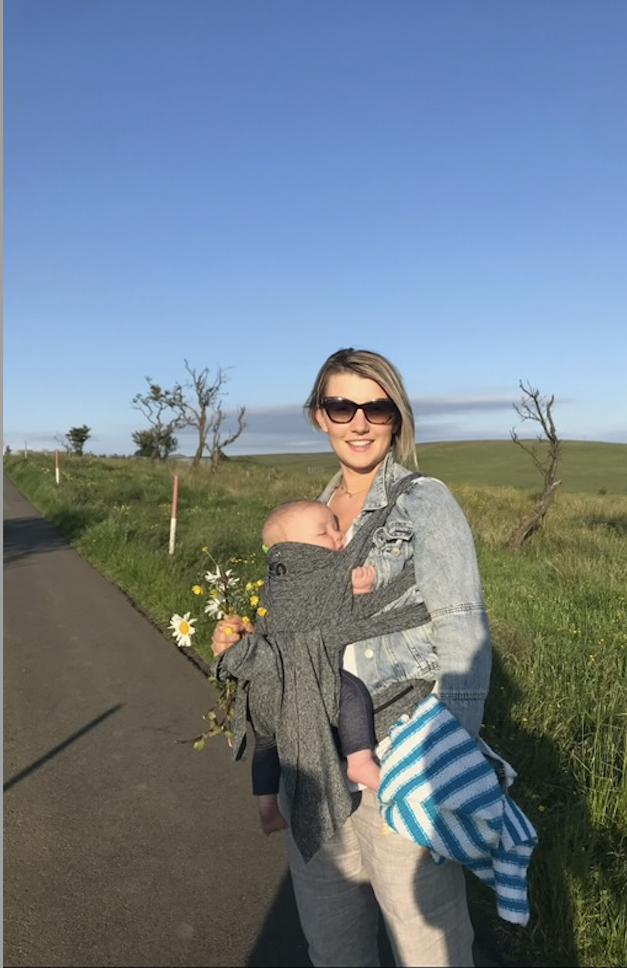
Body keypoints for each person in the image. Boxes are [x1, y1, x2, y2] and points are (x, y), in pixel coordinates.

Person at [212, 347, 493, 968]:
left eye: (377, 407)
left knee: (428, 946)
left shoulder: (425, 502)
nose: (359, 422)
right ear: (320, 416)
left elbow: (463, 630)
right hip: (307, 762)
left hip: (396, 757)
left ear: (397, 417)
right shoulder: (304, 516)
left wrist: (448, 762)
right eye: (342, 405)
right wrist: (243, 643)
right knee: (332, 943)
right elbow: (292, 632)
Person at [253, 498, 389, 837]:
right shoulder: (319, 575)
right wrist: (360, 589)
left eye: (336, 526)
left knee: (266, 741)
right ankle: (359, 761)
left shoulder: (275, 582)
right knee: (351, 691)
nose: (338, 536)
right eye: (323, 532)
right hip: (304, 674)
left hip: (268, 682)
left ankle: (266, 805)